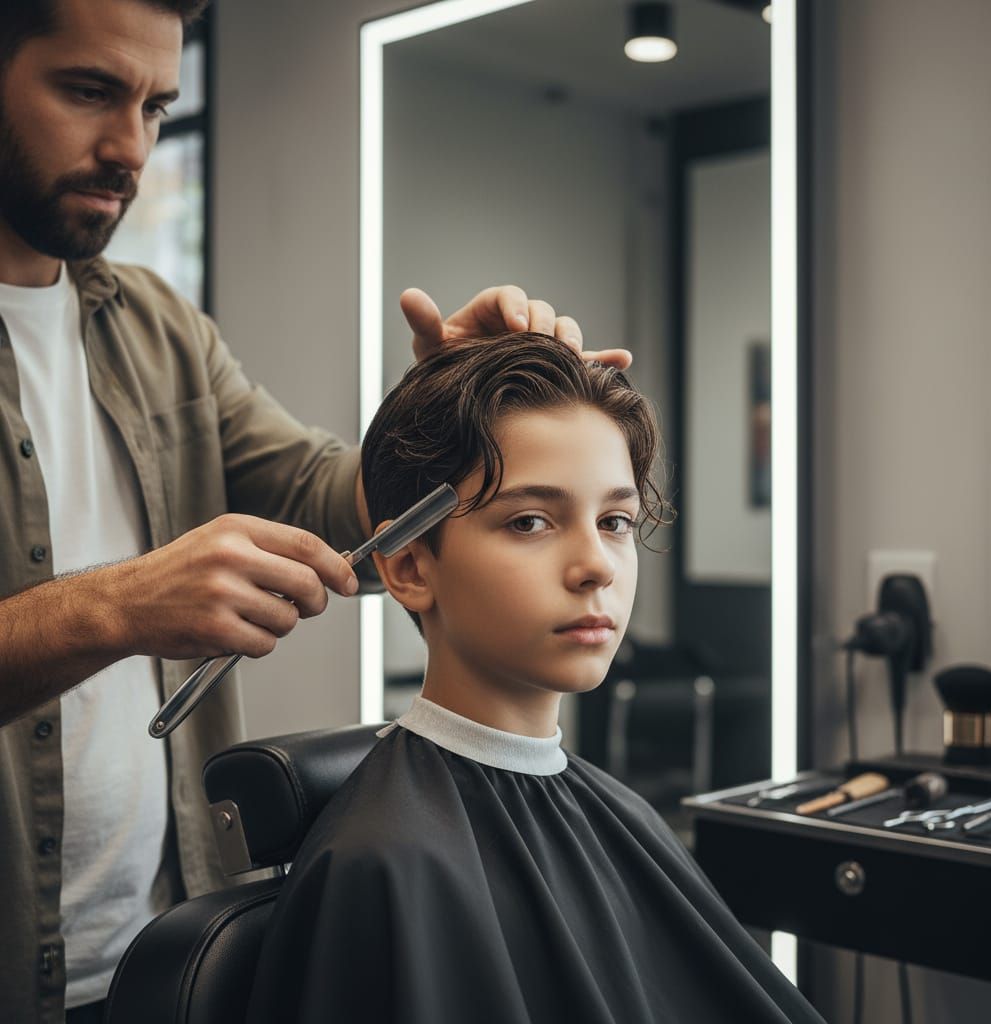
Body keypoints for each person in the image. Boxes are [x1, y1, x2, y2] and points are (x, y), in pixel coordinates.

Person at [0, 2, 629, 1020]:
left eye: (156, 107)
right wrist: (113, 607)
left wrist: (450, 420)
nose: (130, 148)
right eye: (88, 91)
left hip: (159, 965)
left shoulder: (159, 331)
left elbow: (335, 502)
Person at [246, 334, 825, 1024]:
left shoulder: (627, 815)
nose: (597, 565)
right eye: (529, 521)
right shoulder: (381, 866)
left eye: (615, 521)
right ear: (408, 567)